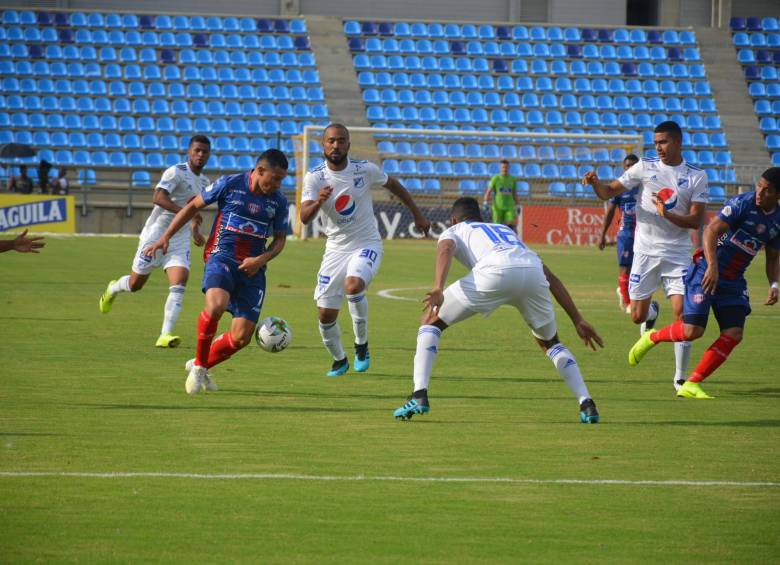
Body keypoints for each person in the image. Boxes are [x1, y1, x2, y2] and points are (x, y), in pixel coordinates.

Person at [393, 197, 603, 423]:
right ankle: (586, 403)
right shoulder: (504, 230)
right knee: (551, 343)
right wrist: (577, 319)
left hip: (494, 273)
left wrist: (438, 286)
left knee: (431, 321)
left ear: (453, 219)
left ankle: (419, 394)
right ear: (481, 217)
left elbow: (445, 247)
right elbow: (550, 277)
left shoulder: (455, 229)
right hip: (532, 271)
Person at [144, 149, 290, 395]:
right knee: (216, 306)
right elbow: (192, 206)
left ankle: (199, 364)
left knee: (241, 337)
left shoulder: (279, 201)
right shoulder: (230, 184)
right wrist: (165, 237)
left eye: (281, 180)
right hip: (221, 257)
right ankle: (200, 367)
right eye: (274, 178)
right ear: (260, 170)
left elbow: (280, 240)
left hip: (253, 269)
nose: (277, 185)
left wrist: (260, 260)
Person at [628, 167, 780, 398]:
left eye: (766, 190)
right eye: (759, 186)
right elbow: (710, 231)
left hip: (733, 280)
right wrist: (712, 266)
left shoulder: (777, 221)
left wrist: (774, 284)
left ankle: (692, 383)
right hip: (705, 270)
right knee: (692, 331)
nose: (759, 192)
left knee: (734, 333)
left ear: (778, 194)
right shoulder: (743, 203)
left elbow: (773, 257)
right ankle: (652, 337)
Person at [583, 121, 708, 392]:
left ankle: (680, 379)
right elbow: (608, 192)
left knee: (683, 315)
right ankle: (652, 312)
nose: (658, 147)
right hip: (645, 252)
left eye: (663, 142)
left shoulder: (696, 176)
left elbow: (696, 221)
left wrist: (667, 215)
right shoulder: (644, 167)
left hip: (677, 254)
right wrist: (595, 183)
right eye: (656, 143)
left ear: (678, 142)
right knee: (637, 317)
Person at [299, 123, 431, 377]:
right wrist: (318, 201)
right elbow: (304, 218)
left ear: (348, 144)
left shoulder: (365, 170)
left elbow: (393, 185)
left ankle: (361, 345)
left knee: (353, 285)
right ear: (323, 145)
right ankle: (340, 360)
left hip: (366, 243)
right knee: (325, 314)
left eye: (341, 140)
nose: (336, 145)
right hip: (335, 250)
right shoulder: (314, 177)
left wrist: (417, 214)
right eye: (331, 141)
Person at [98, 135, 212, 348]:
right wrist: (185, 212)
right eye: (197, 150)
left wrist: (195, 230)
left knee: (180, 282)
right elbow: (158, 197)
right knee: (135, 284)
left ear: (209, 155)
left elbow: (195, 213)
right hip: (156, 234)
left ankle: (165, 335)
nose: (200, 155)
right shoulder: (175, 172)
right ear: (189, 151)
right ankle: (113, 288)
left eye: (204, 152)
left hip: (179, 239)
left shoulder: (205, 183)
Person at [598, 153, 640, 313]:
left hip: (644, 233)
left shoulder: (646, 185)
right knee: (625, 268)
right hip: (626, 233)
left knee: (639, 270)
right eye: (628, 166)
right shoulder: (620, 187)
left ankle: (625, 291)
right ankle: (628, 303)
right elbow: (610, 212)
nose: (630, 168)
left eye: (633, 166)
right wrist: (602, 235)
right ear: (624, 167)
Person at [483, 159, 520, 232]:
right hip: (498, 207)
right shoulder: (495, 178)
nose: (505, 169)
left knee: (510, 226)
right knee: (497, 227)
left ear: (509, 168)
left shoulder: (512, 179)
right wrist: (485, 202)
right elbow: (488, 191)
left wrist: (517, 205)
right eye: (503, 167)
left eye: (506, 167)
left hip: (509, 207)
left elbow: (514, 193)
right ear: (500, 168)